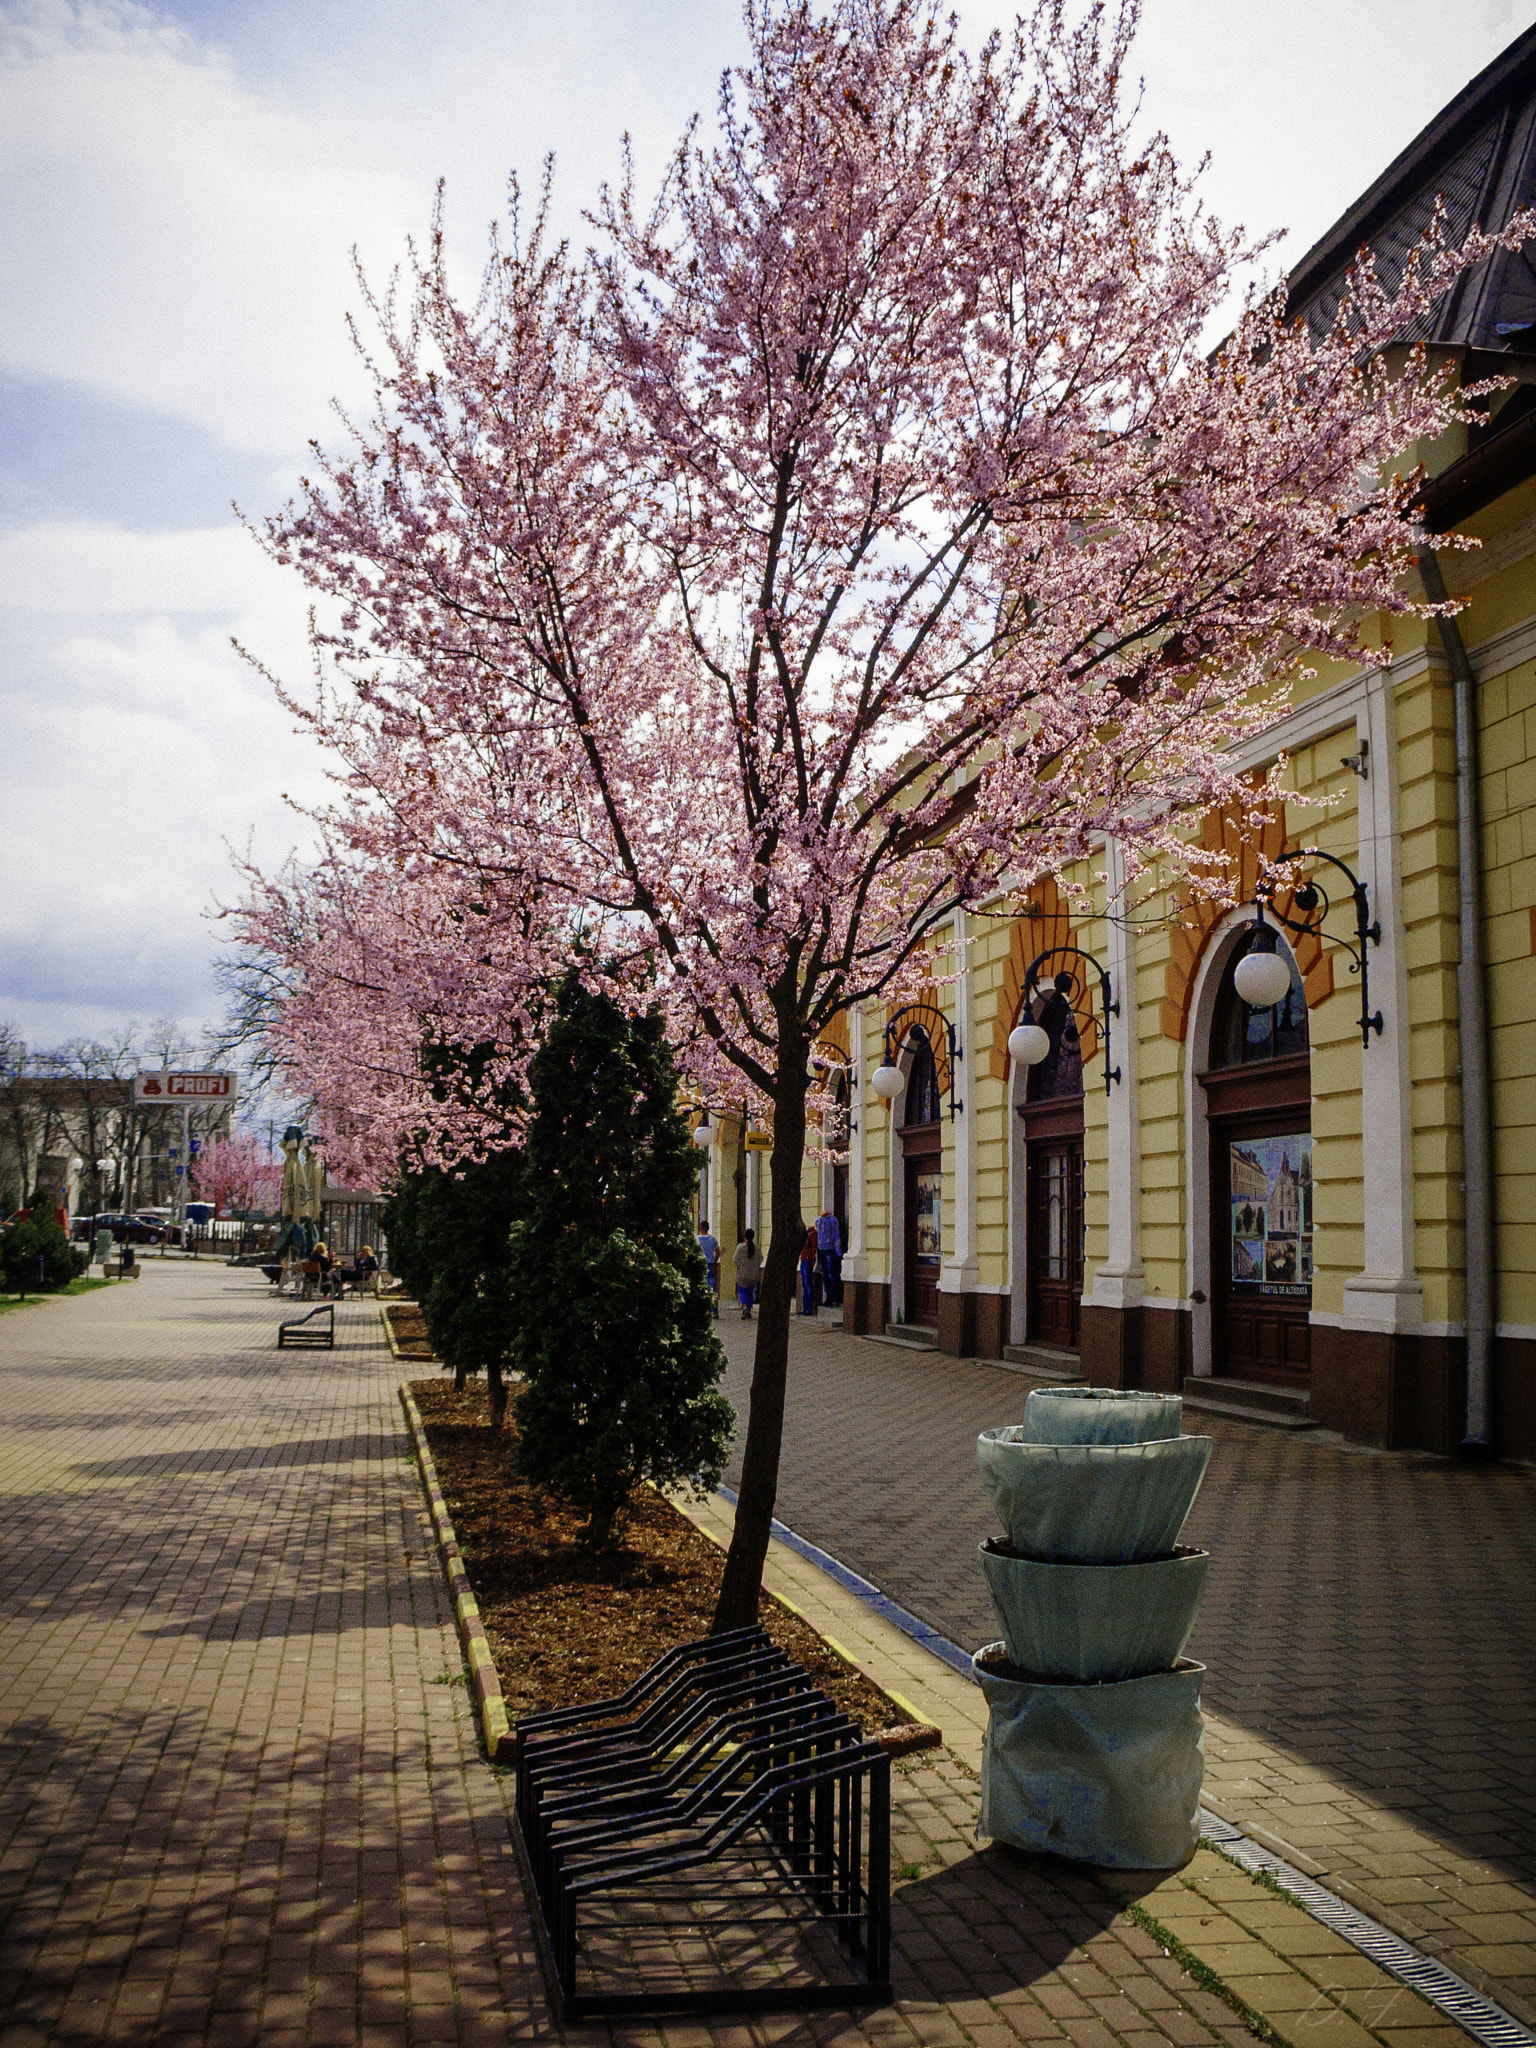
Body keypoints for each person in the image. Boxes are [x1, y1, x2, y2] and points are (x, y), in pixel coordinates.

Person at [816, 1206, 843, 1309]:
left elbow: (836, 1236)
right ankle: (829, 1297)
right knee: (825, 1274)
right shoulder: (818, 1221)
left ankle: (835, 1297)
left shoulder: (833, 1220)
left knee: (832, 1274)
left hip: (830, 1250)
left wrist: (838, 1252)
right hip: (821, 1250)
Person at [733, 1229, 762, 1320]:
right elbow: (761, 1259)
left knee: (742, 1291)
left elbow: (735, 1259)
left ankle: (745, 1307)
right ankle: (749, 1308)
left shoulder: (740, 1247)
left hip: (742, 1273)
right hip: (754, 1274)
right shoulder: (756, 1247)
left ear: (744, 1236)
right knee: (750, 1290)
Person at [697, 1221, 720, 1316]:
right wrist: (715, 1261)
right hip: (710, 1265)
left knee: (700, 1287)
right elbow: (718, 1252)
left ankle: (702, 1310)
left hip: (700, 1265)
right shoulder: (712, 1239)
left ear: (700, 1228)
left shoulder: (697, 1239)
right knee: (712, 1287)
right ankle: (714, 1310)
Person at [797, 1225, 819, 1316]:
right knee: (804, 1284)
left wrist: (812, 1261)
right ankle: (805, 1308)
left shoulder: (813, 1235)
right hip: (803, 1260)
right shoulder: (806, 1234)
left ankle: (809, 1308)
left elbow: (813, 1249)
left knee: (808, 1284)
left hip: (807, 1260)